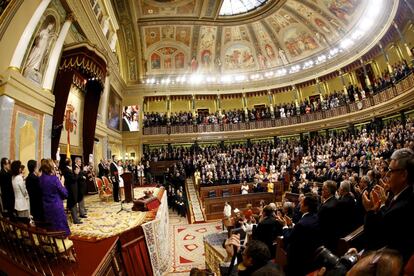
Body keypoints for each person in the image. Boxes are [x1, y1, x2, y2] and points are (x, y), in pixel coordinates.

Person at [363, 148, 414, 262]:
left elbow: (373, 242)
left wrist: (370, 210)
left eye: (390, 170)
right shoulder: (407, 194)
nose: (386, 174)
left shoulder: (402, 207)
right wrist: (384, 203)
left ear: (404, 175)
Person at [279, 192, 321, 276]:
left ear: (306, 207)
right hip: (311, 256)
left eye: (301, 203)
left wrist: (285, 226)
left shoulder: (302, 223)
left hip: (298, 259)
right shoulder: (316, 217)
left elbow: (288, 239)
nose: (299, 204)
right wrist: (291, 225)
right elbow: (302, 233)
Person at [39, 159, 70, 236]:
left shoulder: (40, 179)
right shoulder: (54, 179)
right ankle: (63, 245)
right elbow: (65, 194)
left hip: (46, 207)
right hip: (56, 208)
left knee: (51, 228)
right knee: (61, 230)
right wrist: (62, 183)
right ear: (50, 167)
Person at [62, 158, 81, 224]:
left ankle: (76, 218)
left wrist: (76, 174)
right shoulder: (67, 170)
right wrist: (77, 173)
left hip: (73, 188)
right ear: (69, 162)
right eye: (71, 161)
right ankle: (75, 220)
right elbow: (73, 179)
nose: (71, 162)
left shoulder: (69, 169)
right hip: (71, 189)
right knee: (73, 203)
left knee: (74, 202)